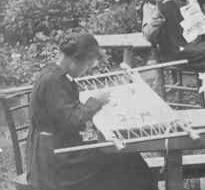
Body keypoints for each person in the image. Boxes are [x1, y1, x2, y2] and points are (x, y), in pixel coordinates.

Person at [26, 33, 157, 190]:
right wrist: (97, 101)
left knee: (126, 159)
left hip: (58, 149)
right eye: (87, 65)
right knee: (128, 163)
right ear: (74, 60)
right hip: (55, 162)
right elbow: (73, 120)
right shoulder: (54, 81)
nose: (87, 70)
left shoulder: (55, 74)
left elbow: (67, 115)